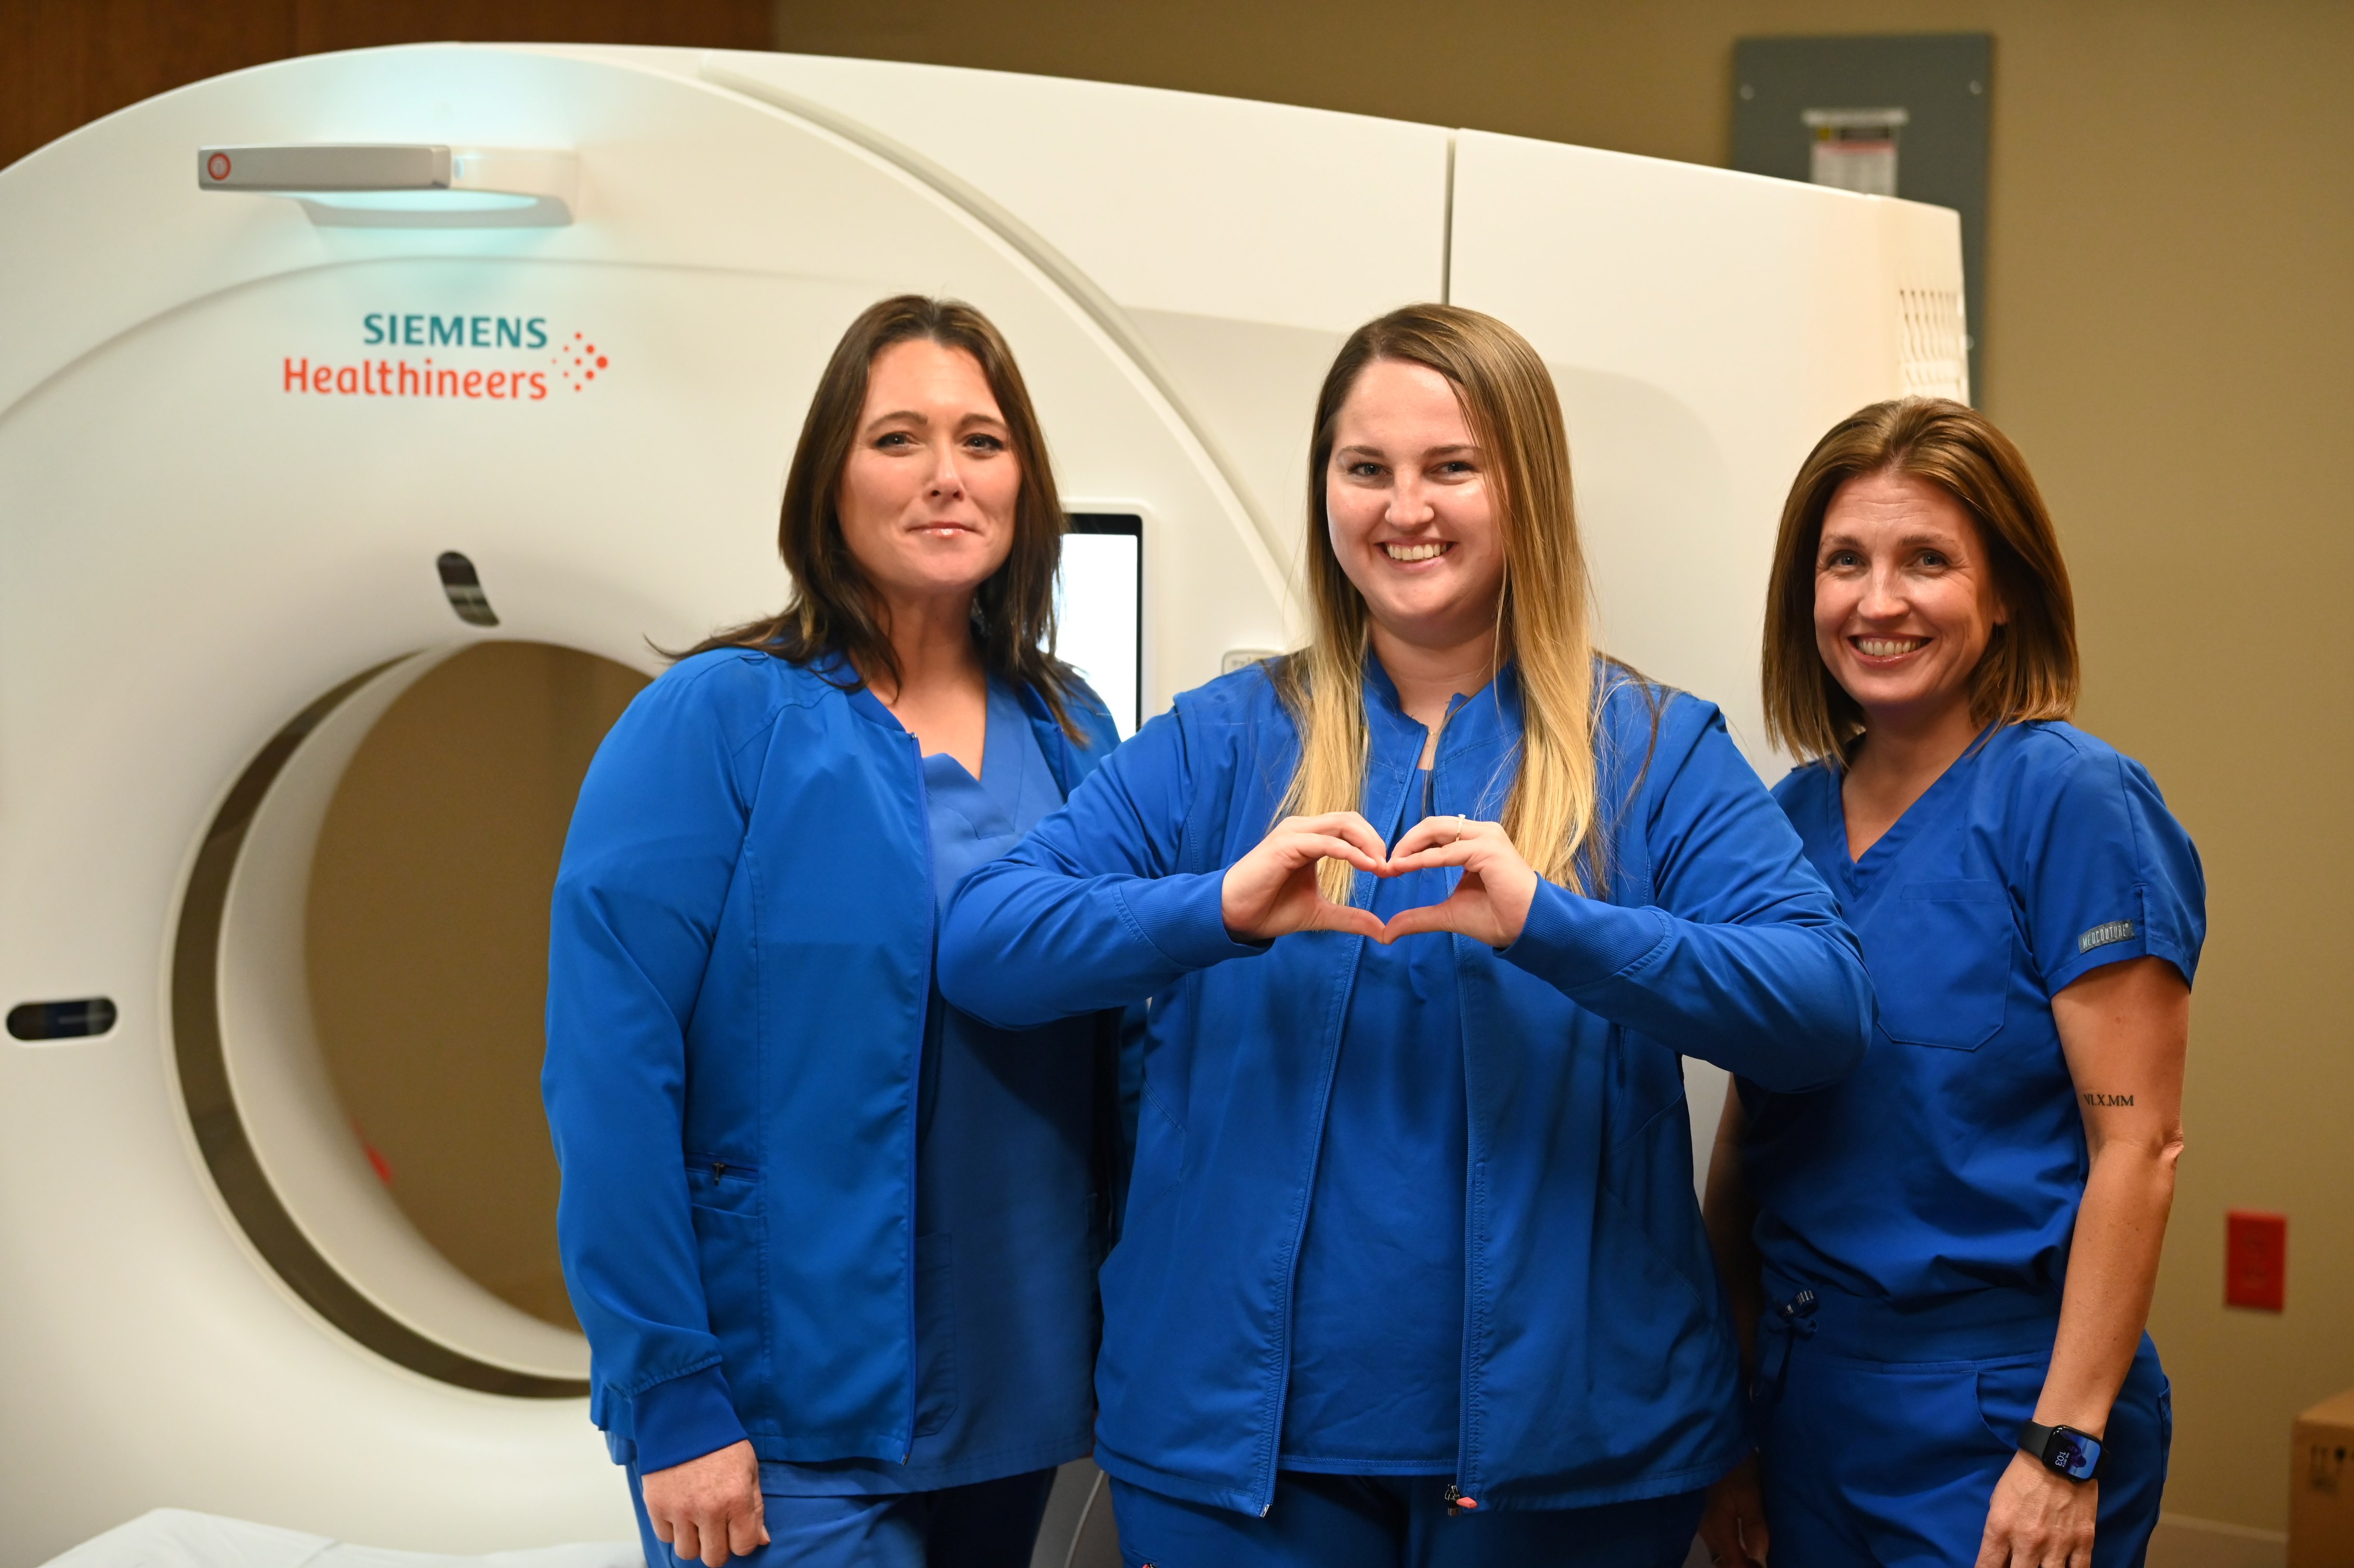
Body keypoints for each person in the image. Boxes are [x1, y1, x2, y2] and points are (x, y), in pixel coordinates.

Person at [935, 304, 1873, 1567]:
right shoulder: (1229, 738)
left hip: (1567, 1449)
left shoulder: (1646, 749)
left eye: (1450, 467)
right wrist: (1215, 909)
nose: (1402, 507)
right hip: (1238, 1451)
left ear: (1524, 489)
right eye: (1363, 467)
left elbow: (1817, 1007)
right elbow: (989, 937)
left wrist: (1555, 924)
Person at [542, 295, 1123, 1568]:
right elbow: (609, 1072)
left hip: (1018, 1391)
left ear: (1022, 478)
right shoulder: (716, 721)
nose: (943, 477)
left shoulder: (1074, 730)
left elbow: (1132, 1049)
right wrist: (670, 1391)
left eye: (980, 439)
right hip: (777, 1400)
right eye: (897, 439)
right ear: (830, 477)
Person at [1696, 398, 2203, 1568]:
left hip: (2000, 1403)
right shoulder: (1786, 822)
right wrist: (1728, 1414)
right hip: (1802, 1393)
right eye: (1844, 562)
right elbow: (1748, 1139)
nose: (1878, 601)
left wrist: (2060, 1446)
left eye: (1926, 558)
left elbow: (2141, 1146)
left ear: (2005, 588)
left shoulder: (2070, 801)